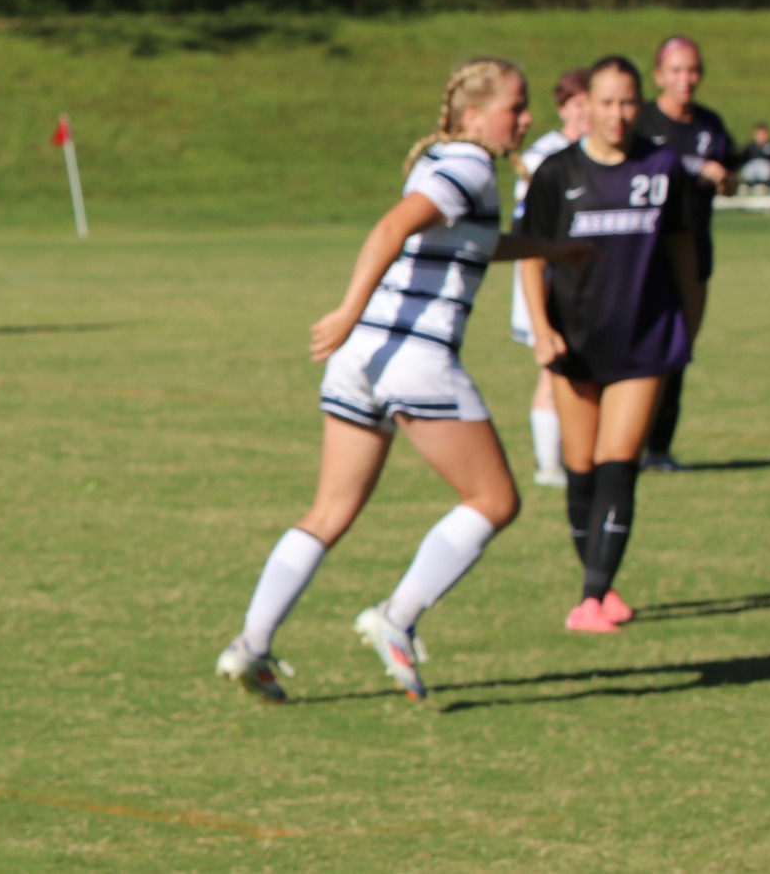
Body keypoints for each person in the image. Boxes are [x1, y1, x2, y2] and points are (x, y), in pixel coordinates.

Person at [216, 59, 591, 702]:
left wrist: (550, 250)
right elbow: (392, 227)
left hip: (362, 359)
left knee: (329, 512)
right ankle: (397, 617)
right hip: (414, 357)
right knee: (496, 501)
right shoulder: (471, 165)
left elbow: (468, 244)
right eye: (516, 107)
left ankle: (250, 646)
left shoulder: (450, 163)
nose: (526, 119)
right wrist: (346, 306)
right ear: (474, 116)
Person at [516, 56, 703, 634]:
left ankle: (592, 598)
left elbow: (682, 255)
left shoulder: (663, 166)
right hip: (576, 340)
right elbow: (530, 253)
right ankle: (598, 587)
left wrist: (687, 326)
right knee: (581, 470)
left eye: (628, 103)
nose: (618, 115)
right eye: (607, 103)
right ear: (586, 106)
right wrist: (542, 329)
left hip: (644, 339)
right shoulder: (556, 171)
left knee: (619, 464)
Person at [633, 36, 733, 471]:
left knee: (678, 350)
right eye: (676, 70)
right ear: (658, 74)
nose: (685, 79)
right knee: (634, 346)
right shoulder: (640, 122)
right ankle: (625, 445)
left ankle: (659, 448)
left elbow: (730, 179)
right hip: (644, 253)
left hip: (694, 250)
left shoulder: (710, 125)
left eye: (692, 70)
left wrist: (723, 178)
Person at [511, 69, 591, 488]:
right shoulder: (546, 155)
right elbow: (530, 228)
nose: (584, 111)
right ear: (562, 107)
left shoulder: (596, 151)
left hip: (582, 279)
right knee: (551, 370)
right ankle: (550, 465)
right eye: (576, 103)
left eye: (588, 101)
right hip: (545, 275)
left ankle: (576, 456)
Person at [739, 121, 770, 193]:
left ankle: (763, 185)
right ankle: (748, 185)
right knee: (749, 172)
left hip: (767, 169)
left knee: (764, 170)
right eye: (759, 134)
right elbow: (741, 162)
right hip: (752, 168)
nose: (761, 136)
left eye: (763, 134)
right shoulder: (749, 147)